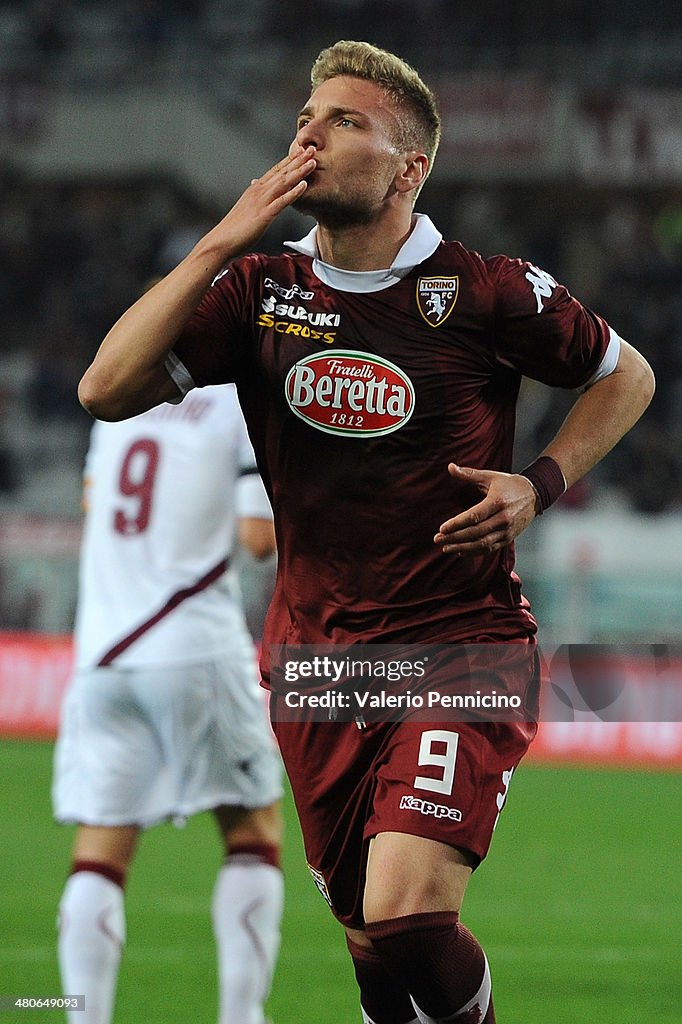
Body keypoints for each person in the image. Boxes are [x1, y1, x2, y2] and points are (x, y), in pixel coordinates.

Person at [76, 39, 655, 1024]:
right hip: (316, 666)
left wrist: (539, 481)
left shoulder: (485, 290)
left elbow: (625, 375)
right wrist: (220, 241)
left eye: (343, 121)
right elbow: (105, 388)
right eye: (305, 116)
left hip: (459, 647)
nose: (310, 131)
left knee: (406, 918)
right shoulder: (256, 291)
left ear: (408, 167)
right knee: (372, 957)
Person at [53, 383, 284, 1024]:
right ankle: (243, 1017)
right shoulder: (239, 401)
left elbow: (94, 500)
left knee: (99, 851)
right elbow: (258, 537)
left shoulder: (118, 400)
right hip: (190, 645)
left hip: (101, 654)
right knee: (252, 830)